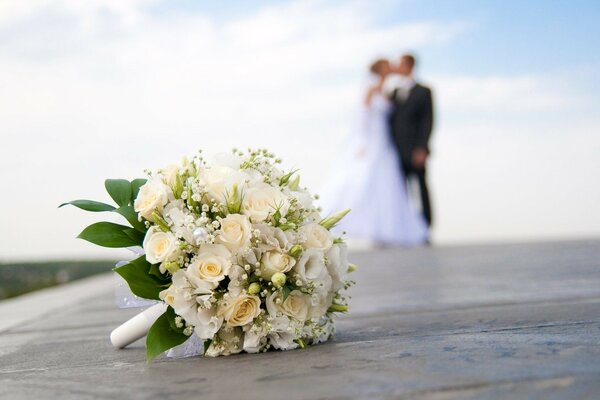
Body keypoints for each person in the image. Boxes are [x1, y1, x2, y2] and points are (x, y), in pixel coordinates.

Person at [319, 59, 428, 246]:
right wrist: (363, 143)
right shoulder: (370, 89)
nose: (392, 68)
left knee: (388, 186)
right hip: (372, 142)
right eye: (388, 66)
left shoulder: (387, 91)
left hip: (386, 144)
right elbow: (361, 117)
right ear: (380, 70)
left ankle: (385, 230)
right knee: (363, 182)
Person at [388, 54, 434, 227]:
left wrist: (422, 148)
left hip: (416, 150)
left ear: (409, 65)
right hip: (395, 151)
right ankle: (404, 228)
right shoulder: (393, 92)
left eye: (399, 64)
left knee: (421, 188)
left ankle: (425, 227)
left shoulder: (424, 91)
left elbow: (428, 121)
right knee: (400, 192)